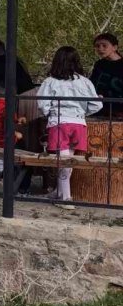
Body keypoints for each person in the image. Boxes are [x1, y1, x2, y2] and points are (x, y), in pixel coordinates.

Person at [36, 46, 102, 201]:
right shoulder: (85, 82)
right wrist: (83, 113)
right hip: (78, 123)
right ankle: (59, 192)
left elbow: (42, 103)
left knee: (63, 161)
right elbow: (97, 104)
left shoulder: (50, 82)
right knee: (68, 160)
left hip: (59, 122)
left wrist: (49, 113)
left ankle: (65, 197)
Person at [90, 32, 123, 118]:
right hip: (99, 109)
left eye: (104, 46)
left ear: (114, 47)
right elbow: (93, 83)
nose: (100, 49)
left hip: (119, 110)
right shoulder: (99, 64)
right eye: (98, 46)